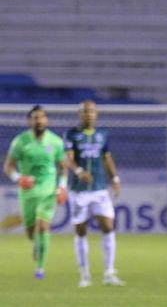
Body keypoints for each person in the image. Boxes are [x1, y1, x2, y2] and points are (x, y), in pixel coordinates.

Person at [64, 100, 125, 287]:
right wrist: (78, 172)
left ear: (96, 114)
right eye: (85, 112)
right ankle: (84, 274)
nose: (88, 115)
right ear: (79, 114)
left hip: (99, 188)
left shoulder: (102, 135)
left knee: (108, 226)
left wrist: (115, 179)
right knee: (81, 230)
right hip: (78, 190)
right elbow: (67, 158)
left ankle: (109, 272)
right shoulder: (71, 135)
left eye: (91, 112)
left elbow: (107, 158)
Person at [3, 105, 67, 280]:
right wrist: (18, 178)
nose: (39, 120)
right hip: (28, 192)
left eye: (41, 117)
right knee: (32, 232)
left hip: (48, 190)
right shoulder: (20, 141)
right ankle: (37, 245)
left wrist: (62, 186)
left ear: (47, 120)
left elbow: (63, 168)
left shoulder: (55, 142)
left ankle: (40, 268)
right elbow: (8, 166)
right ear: (29, 121)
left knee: (43, 225)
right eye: (35, 118)